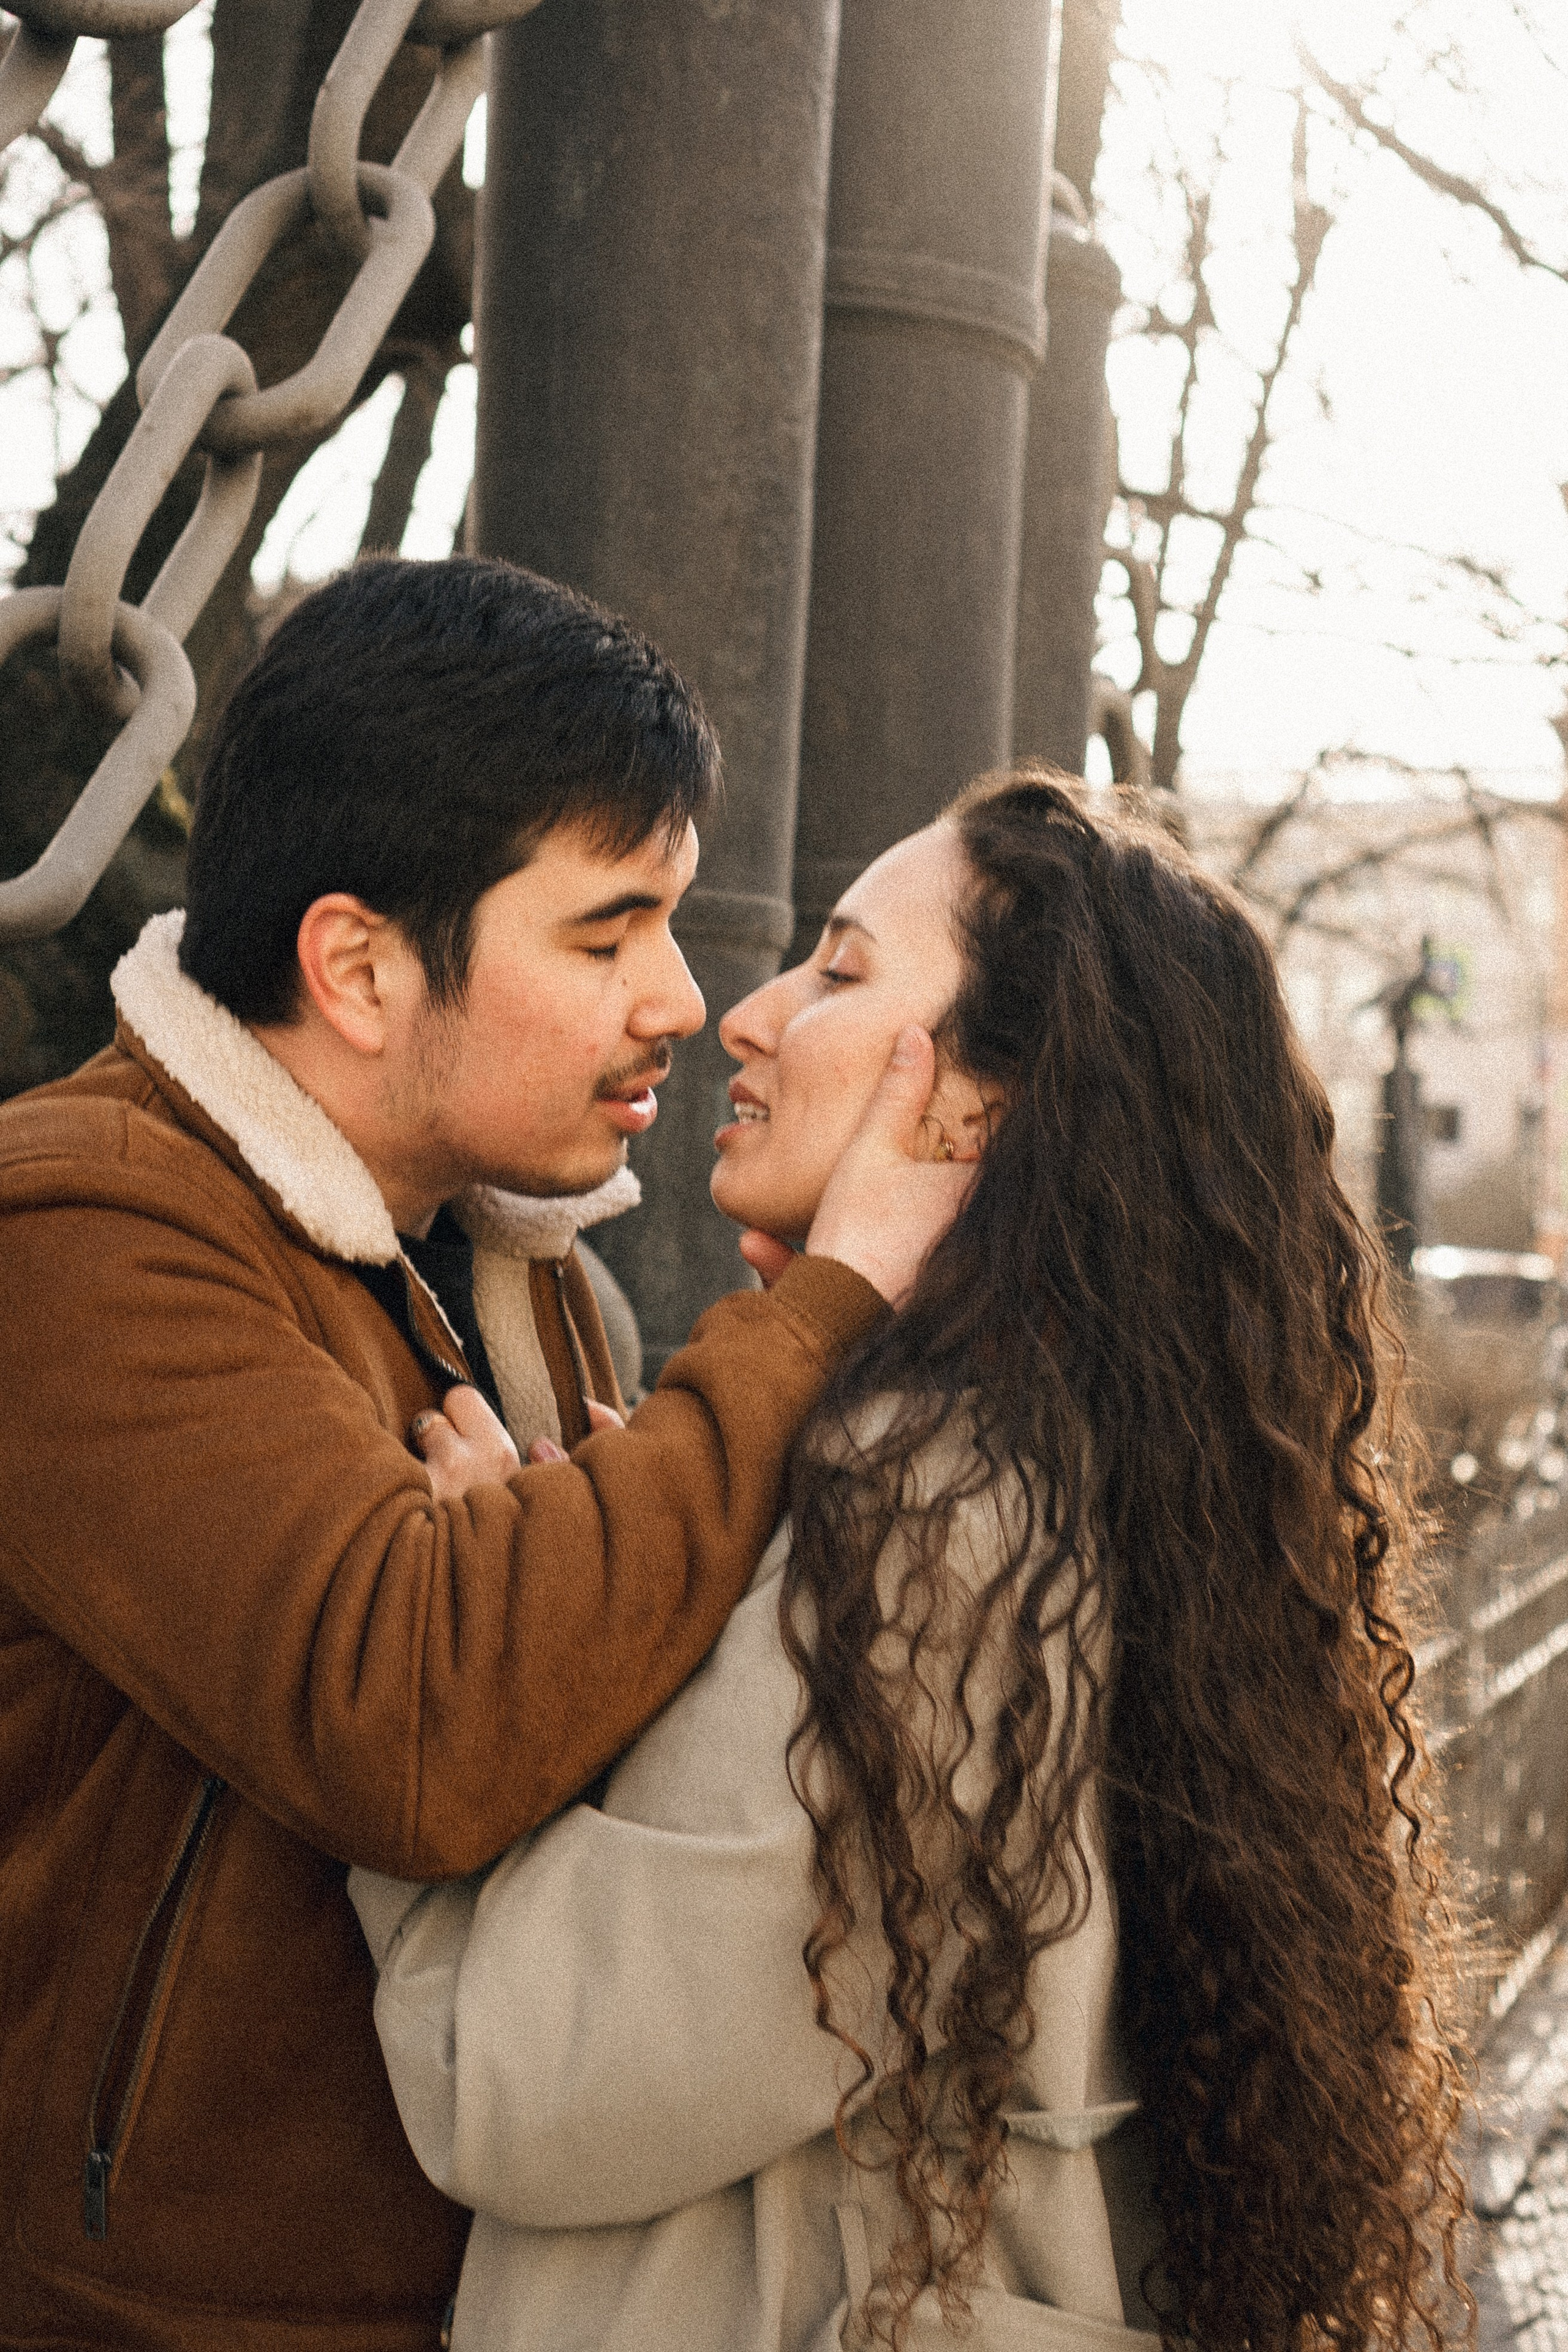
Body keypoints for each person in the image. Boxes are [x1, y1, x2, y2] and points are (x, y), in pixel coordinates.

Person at [355, 770, 1467, 2352]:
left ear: (972, 1109)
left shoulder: (932, 1517)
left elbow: (523, 2080)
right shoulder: (1085, 1459)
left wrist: (474, 1631)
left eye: (839, 971)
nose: (746, 1016)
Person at [0, 556, 970, 2352]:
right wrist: (829, 1307)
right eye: (606, 936)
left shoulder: (531, 1280)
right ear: (359, 967)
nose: (678, 999)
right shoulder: (78, 1229)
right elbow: (418, 1727)